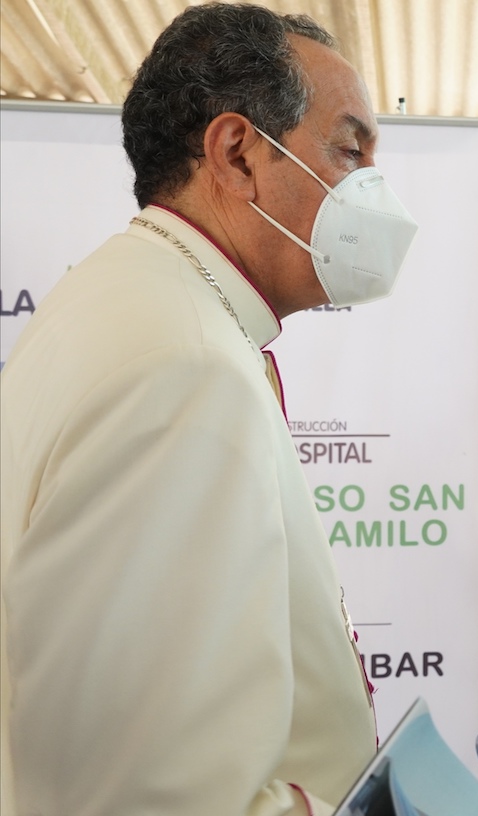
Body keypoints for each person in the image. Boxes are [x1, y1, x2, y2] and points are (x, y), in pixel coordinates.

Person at [0, 5, 419, 814]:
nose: (373, 190)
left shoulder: (134, 299)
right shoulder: (184, 365)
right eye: (349, 150)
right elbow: (135, 794)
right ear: (238, 154)